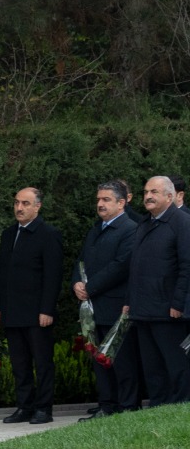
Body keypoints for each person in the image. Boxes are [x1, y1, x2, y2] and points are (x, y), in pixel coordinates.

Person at [0, 187, 62, 425]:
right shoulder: (8, 234)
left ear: (37, 206)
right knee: (19, 363)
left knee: (42, 362)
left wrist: (47, 309)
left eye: (25, 203)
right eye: (16, 203)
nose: (19, 208)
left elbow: (53, 276)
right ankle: (24, 406)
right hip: (12, 310)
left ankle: (44, 408)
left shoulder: (48, 234)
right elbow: (2, 274)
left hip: (36, 312)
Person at [74, 180, 139, 418]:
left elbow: (120, 266)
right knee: (99, 361)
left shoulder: (130, 229)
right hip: (93, 308)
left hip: (116, 306)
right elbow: (81, 261)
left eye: (106, 200)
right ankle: (107, 406)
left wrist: (90, 287)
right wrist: (77, 283)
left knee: (122, 361)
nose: (100, 204)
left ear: (121, 203)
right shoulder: (96, 229)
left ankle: (128, 407)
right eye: (98, 199)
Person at [125, 175, 190, 406]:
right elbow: (136, 267)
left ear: (170, 197)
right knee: (152, 368)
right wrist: (130, 301)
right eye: (146, 192)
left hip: (169, 312)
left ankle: (181, 406)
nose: (148, 196)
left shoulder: (182, 223)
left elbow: (187, 266)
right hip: (143, 310)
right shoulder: (145, 223)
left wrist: (178, 304)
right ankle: (158, 408)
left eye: (154, 192)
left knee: (176, 364)